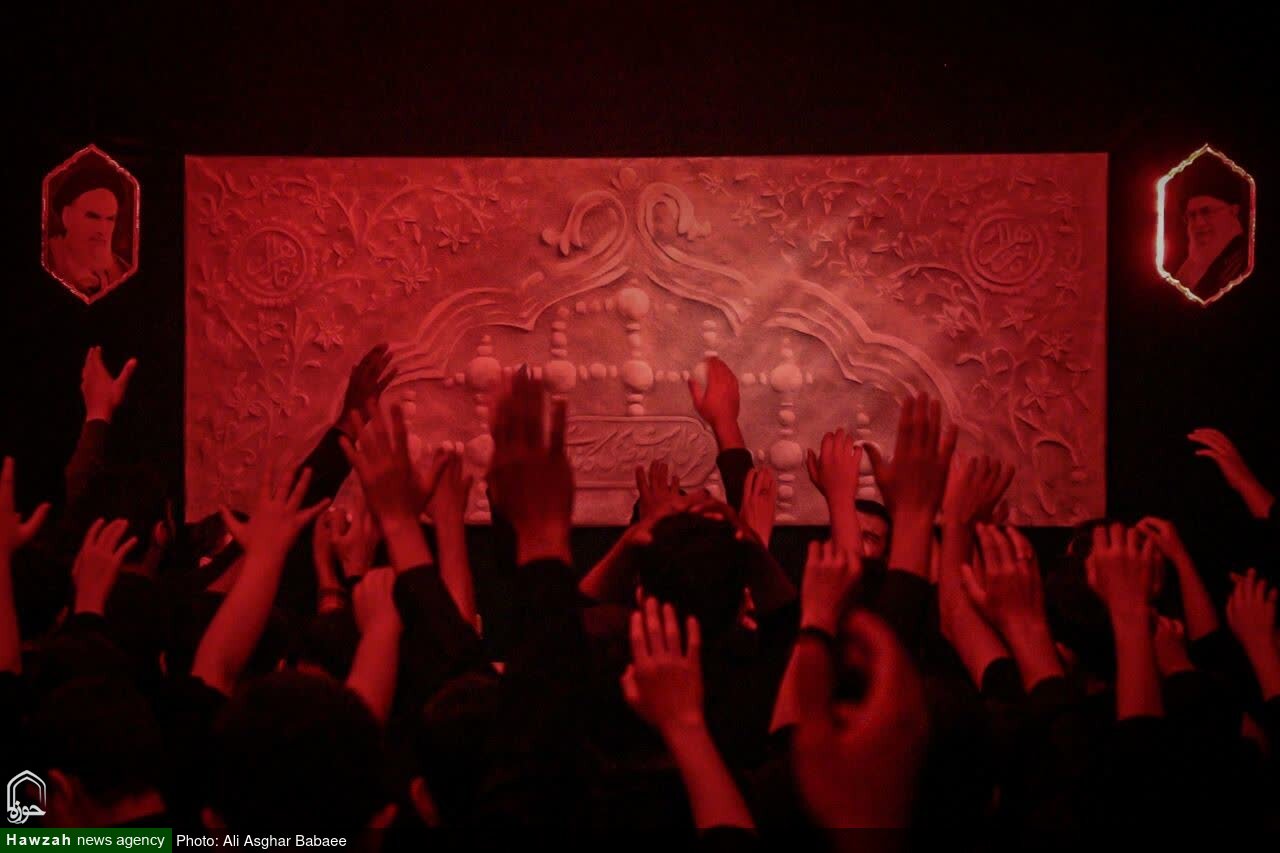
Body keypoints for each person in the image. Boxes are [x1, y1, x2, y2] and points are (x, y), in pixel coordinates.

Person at [46, 167, 131, 297]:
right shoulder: (48, 262)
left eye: (110, 219)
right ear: (67, 217)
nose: (102, 229)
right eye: (92, 217)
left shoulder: (124, 271)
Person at [1171, 163, 1250, 298]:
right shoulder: (1189, 265)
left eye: (1206, 212)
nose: (1199, 223)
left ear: (1233, 211)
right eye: (1192, 215)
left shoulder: (1243, 261)